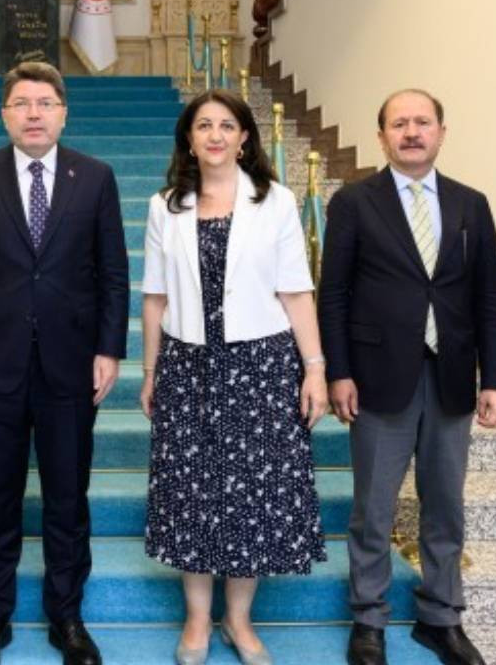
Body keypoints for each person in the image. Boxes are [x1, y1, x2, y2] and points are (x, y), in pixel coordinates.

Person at [0, 61, 130, 665]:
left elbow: (113, 273)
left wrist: (109, 349)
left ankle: (66, 616)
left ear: (63, 113)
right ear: (4, 115)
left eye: (45, 103)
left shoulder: (95, 177)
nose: (33, 114)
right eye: (21, 103)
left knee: (67, 498)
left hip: (70, 366)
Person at [318, 89, 496, 665]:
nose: (411, 132)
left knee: (445, 504)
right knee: (373, 509)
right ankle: (369, 619)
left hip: (451, 376)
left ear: (441, 133)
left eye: (422, 122)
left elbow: (491, 296)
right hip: (378, 378)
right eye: (398, 123)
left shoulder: (471, 204)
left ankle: (441, 617)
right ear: (381, 137)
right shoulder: (354, 202)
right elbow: (334, 295)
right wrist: (338, 372)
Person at [139, 90, 329, 665]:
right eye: (204, 125)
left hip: (261, 366)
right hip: (188, 365)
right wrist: (150, 372)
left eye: (227, 125)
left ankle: (239, 620)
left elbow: (296, 292)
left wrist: (314, 369)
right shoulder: (165, 205)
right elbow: (155, 298)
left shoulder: (276, 201)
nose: (215, 135)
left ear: (245, 137)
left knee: (253, 496)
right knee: (192, 492)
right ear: (189, 138)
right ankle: (198, 619)